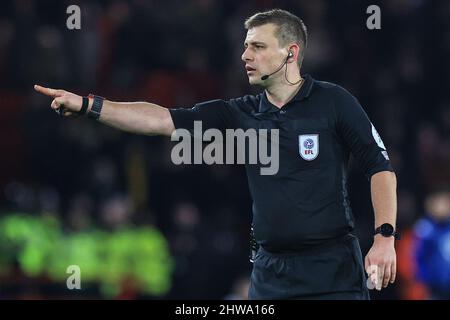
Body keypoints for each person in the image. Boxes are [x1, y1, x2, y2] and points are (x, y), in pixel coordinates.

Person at [34, 9, 398, 299]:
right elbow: (161, 119)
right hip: (271, 275)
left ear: (291, 52)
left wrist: (384, 237)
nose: (244, 55)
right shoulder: (240, 111)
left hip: (332, 272)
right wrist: (89, 105)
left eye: (257, 46)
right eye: (245, 46)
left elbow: (379, 166)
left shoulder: (333, 102)